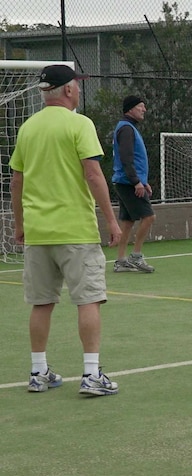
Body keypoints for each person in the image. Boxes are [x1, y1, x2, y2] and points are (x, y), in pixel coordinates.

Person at [9, 64, 122, 396]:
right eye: (77, 85)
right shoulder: (80, 124)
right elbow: (93, 174)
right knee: (88, 300)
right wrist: (111, 220)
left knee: (41, 303)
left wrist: (19, 223)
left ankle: (38, 371)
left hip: (39, 232)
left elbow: (17, 181)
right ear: (68, 90)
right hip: (76, 232)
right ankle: (90, 375)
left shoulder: (27, 128)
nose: (79, 89)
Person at [112, 95, 156, 273]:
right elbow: (126, 158)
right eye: (141, 106)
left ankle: (120, 260)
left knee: (128, 221)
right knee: (149, 216)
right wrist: (136, 181)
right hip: (128, 182)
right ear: (130, 109)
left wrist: (142, 182)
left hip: (127, 181)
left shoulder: (128, 128)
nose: (144, 109)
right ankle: (136, 257)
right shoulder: (127, 129)